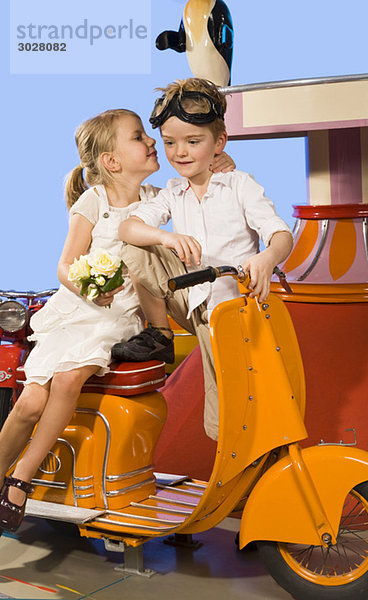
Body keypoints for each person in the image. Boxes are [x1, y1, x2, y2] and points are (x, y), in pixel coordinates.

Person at [0, 108, 234, 533]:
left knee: (70, 380)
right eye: (139, 136)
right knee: (31, 402)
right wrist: (89, 289)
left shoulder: (157, 198)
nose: (151, 143)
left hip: (120, 315)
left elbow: (203, 187)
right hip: (80, 310)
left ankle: (20, 480)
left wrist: (221, 165)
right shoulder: (94, 201)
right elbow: (66, 264)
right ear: (111, 161)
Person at [111, 78, 294, 441]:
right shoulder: (173, 192)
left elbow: (280, 233)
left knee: (232, 411)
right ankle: (161, 332)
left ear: (219, 143)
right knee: (137, 246)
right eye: (169, 143)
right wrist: (167, 235)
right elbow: (128, 229)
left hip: (236, 311)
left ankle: (258, 476)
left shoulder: (240, 184)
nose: (180, 152)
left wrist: (267, 258)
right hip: (193, 303)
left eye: (193, 142)